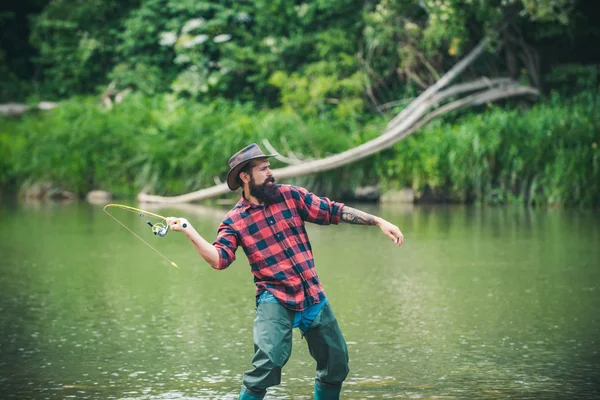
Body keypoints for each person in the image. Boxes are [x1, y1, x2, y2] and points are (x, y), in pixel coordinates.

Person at [166, 143, 404, 400]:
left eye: (269, 167)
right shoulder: (233, 221)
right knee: (267, 364)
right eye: (263, 169)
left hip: (312, 294)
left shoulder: (291, 196)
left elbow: (333, 210)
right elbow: (219, 259)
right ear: (245, 176)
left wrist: (378, 220)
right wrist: (189, 230)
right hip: (275, 299)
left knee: (337, 363)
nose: (270, 172)